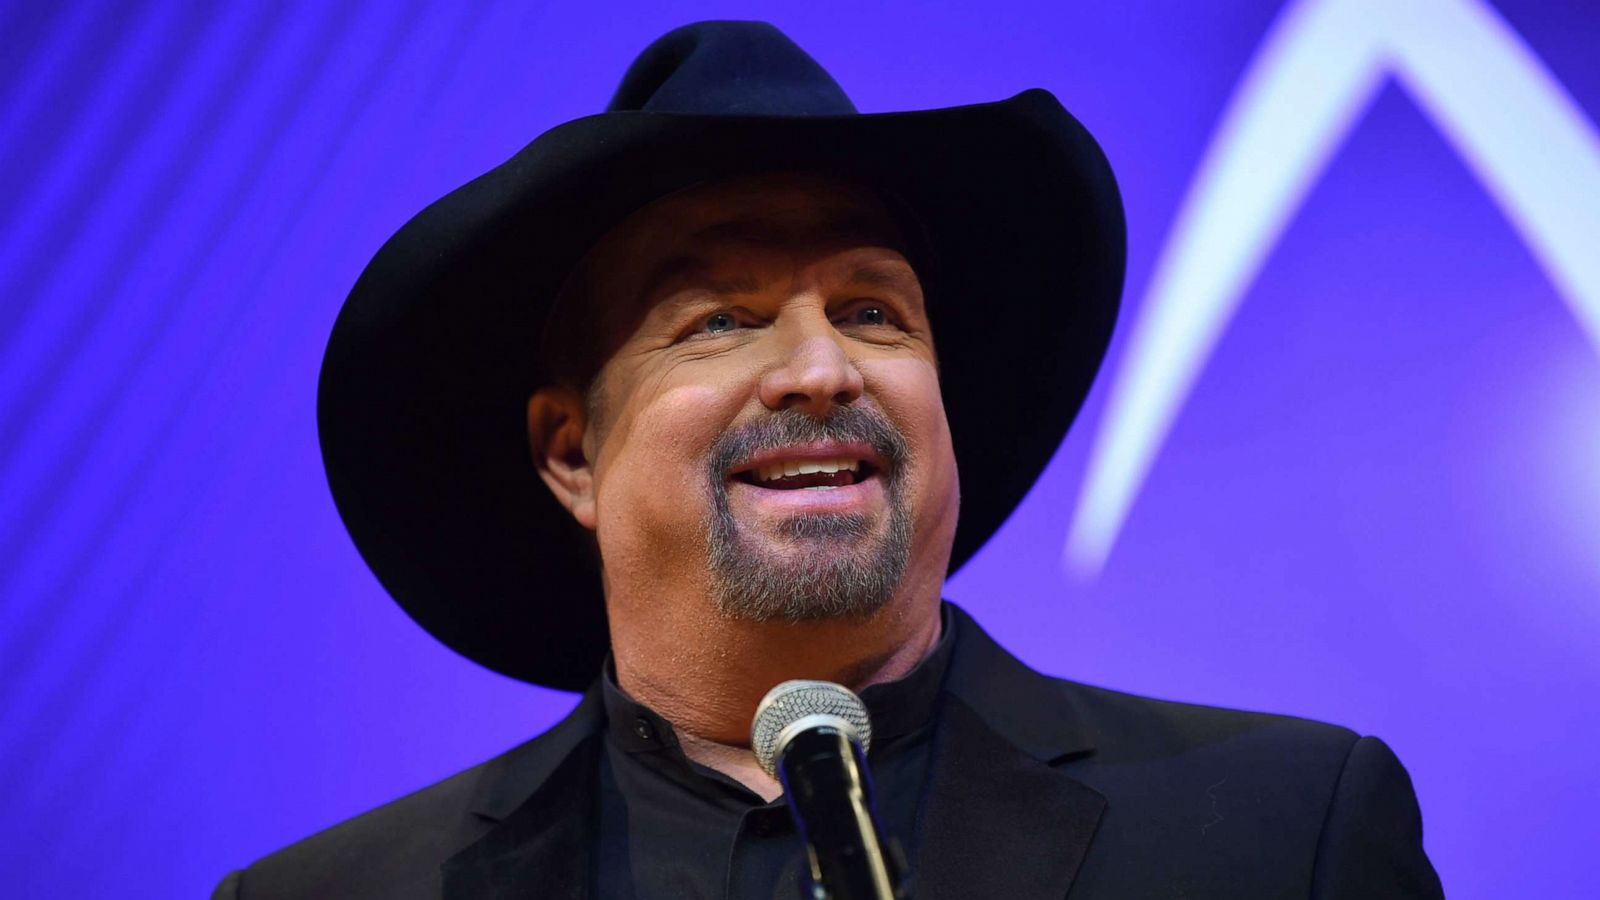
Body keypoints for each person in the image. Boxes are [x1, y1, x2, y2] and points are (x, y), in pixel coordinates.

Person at [214, 21, 1444, 899]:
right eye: (720, 320)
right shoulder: (339, 892)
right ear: (570, 451)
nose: (821, 369)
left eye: (873, 312)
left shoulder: (1286, 835)